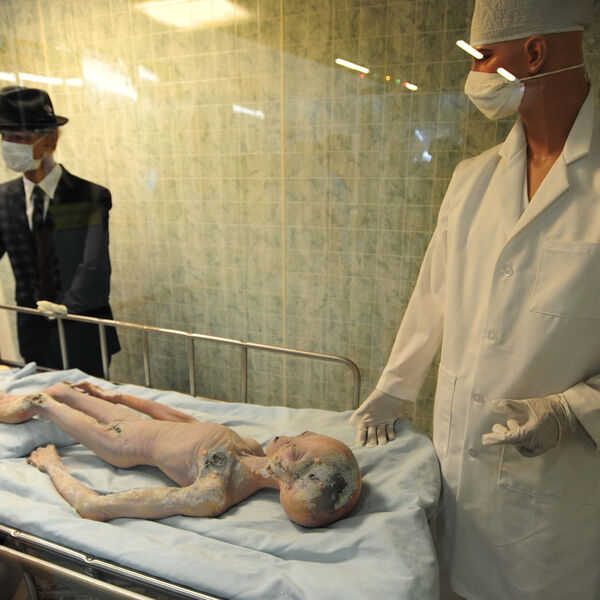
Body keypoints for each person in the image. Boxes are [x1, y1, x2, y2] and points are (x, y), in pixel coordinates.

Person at [350, 1, 600, 599]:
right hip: (457, 480)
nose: (476, 73)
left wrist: (574, 409)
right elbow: (434, 294)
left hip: (551, 507)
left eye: (484, 55)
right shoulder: (473, 179)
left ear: (534, 53)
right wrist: (394, 388)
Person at [0, 381, 361, 528]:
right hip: (133, 422)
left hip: (119, 443)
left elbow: (94, 506)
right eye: (303, 434)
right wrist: (121, 398)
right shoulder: (250, 447)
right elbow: (186, 424)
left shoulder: (214, 491)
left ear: (290, 483)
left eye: (295, 449)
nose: (286, 436)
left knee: (38, 401)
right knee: (63, 390)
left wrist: (52, 465)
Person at [0, 86, 120, 376]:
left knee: (89, 399)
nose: (9, 146)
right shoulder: (3, 199)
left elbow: (94, 266)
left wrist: (65, 309)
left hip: (84, 331)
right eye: (5, 138)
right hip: (33, 336)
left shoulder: (90, 196)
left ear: (50, 140)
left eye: (18, 138)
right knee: (41, 400)